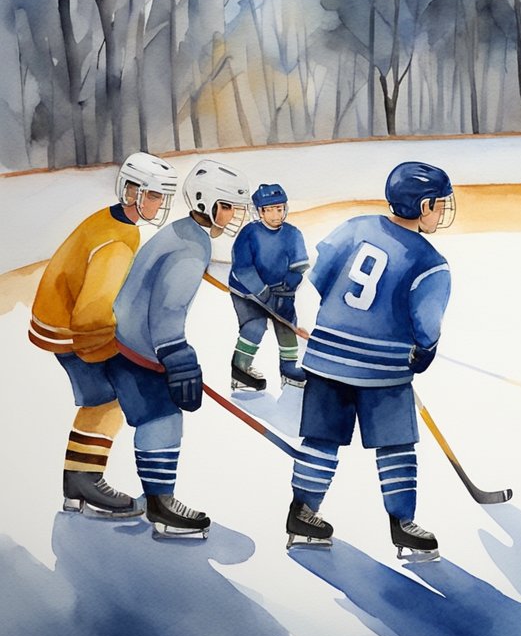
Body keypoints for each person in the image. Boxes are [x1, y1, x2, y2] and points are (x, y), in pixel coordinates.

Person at [285, 161, 454, 561]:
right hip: (385, 371)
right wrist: (423, 353)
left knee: (321, 440)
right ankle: (402, 523)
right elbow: (426, 327)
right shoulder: (431, 263)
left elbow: (319, 279)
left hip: (326, 359)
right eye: (440, 205)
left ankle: (302, 512)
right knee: (396, 445)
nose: (443, 212)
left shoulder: (355, 226)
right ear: (425, 205)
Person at [28, 152, 179, 517]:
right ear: (131, 192)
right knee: (108, 399)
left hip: (59, 320)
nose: (160, 205)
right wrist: (116, 350)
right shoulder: (118, 241)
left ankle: (77, 484)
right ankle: (82, 480)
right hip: (69, 329)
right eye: (155, 196)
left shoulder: (111, 223)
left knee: (103, 400)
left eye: (162, 197)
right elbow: (92, 315)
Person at [110, 158, 252, 539]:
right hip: (138, 349)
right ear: (206, 202)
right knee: (162, 420)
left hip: (131, 341)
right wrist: (177, 356)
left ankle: (156, 496)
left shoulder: (186, 232)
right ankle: (160, 503)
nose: (234, 215)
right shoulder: (192, 246)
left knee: (160, 419)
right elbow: (168, 309)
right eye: (228, 206)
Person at [228, 183, 310, 391]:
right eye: (270, 209)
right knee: (254, 326)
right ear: (260, 212)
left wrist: (293, 278)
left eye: (279, 208)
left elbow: (299, 263)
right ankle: (241, 370)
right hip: (247, 292)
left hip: (281, 290)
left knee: (287, 325)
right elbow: (244, 268)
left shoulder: (293, 233)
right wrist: (262, 292)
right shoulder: (249, 233)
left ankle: (289, 368)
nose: (276, 214)